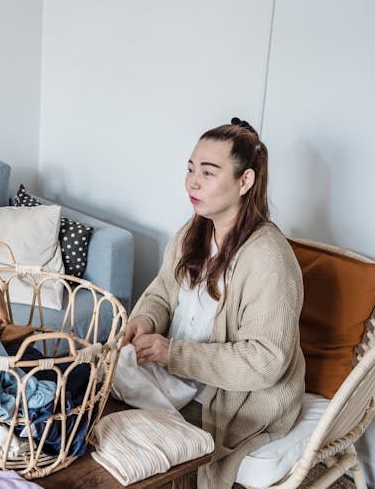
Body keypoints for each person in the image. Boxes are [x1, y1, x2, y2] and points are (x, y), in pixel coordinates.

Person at [122, 118, 305, 488]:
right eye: (190, 169)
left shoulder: (268, 258)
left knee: (139, 443)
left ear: (245, 181)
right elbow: (161, 291)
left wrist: (172, 353)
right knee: (88, 385)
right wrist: (144, 320)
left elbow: (266, 361)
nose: (192, 182)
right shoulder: (194, 230)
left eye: (208, 172)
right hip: (179, 376)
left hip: (236, 399)